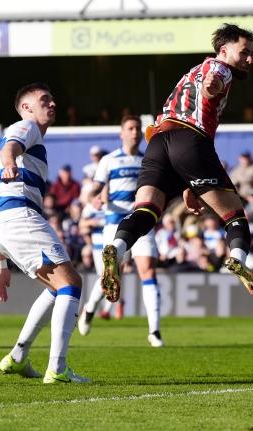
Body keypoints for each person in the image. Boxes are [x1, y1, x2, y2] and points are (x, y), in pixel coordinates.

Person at [101, 24, 253, 304]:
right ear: (224, 50)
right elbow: (213, 81)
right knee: (235, 218)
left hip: (158, 142)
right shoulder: (220, 68)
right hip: (191, 140)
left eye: (252, 54)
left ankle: (117, 249)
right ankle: (237, 260)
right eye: (245, 53)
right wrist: (211, 87)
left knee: (146, 211)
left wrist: (189, 183)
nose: (250, 59)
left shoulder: (190, 72)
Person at [0, 82, 87, 384]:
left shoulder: (34, 142)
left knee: (57, 289)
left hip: (1, 222)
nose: (52, 103)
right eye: (45, 99)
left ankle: (18, 357)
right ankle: (57, 368)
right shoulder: (26, 126)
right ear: (26, 107)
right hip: (18, 216)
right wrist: (8, 164)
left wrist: (1, 265)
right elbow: (9, 149)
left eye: (53, 98)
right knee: (71, 284)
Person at [78, 116, 164, 347]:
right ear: (122, 133)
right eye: (130, 128)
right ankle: (89, 309)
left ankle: (154, 331)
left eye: (137, 128)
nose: (135, 132)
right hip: (115, 224)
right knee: (111, 274)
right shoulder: (109, 160)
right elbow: (94, 187)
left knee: (148, 271)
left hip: (142, 222)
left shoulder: (149, 159)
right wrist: (92, 198)